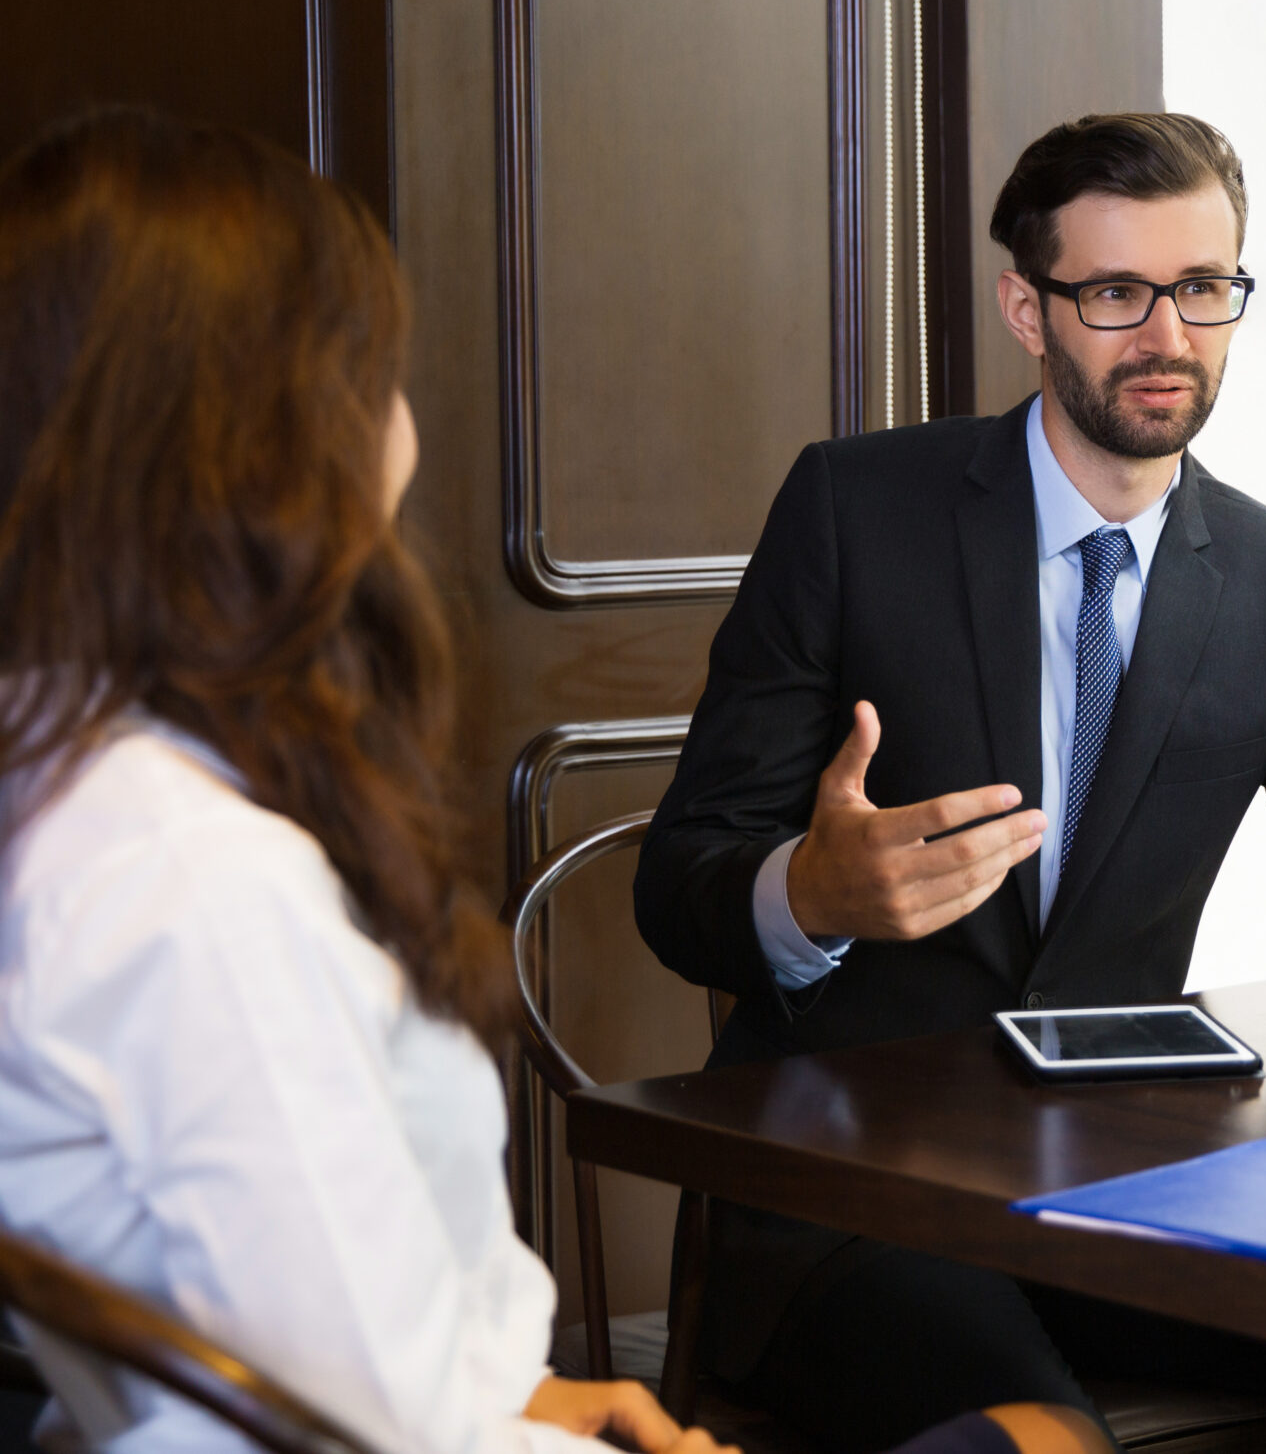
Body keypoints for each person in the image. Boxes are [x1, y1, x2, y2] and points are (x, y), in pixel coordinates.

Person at [0, 110, 1105, 1454]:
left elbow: (288, 1340)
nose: (403, 433)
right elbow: (363, 1426)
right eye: (376, 376)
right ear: (267, 438)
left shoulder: (66, 794)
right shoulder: (197, 886)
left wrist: (513, 1397)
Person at [633, 112, 1266, 1449]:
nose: (1168, 335)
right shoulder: (853, 510)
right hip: (855, 1206)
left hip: (1130, 1201)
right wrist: (811, 896)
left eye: (1202, 289)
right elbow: (681, 887)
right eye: (1118, 293)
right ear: (1029, 306)